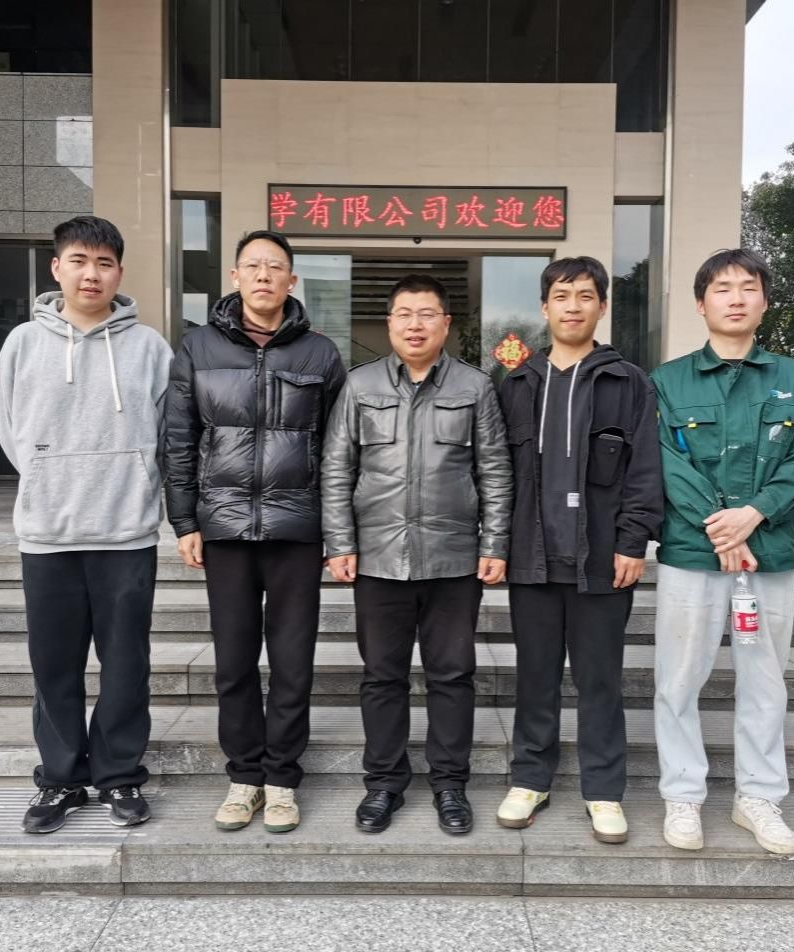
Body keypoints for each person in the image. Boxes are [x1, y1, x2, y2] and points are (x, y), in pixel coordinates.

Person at [0, 215, 172, 833]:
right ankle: (61, 779)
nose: (90, 274)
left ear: (119, 272)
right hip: (48, 533)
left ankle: (119, 775)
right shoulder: (23, 343)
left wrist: (136, 484)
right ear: (57, 268)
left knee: (126, 665)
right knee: (54, 665)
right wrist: (48, 476)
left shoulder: (149, 347)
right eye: (78, 260)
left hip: (126, 530)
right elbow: (10, 429)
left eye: (103, 263)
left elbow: (166, 436)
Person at [165, 229, 345, 834]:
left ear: (292, 280)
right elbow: (179, 438)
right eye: (253, 265)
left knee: (293, 662)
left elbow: (339, 449)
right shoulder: (198, 347)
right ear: (235, 276)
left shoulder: (320, 354)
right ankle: (244, 776)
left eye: (275, 266)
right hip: (224, 528)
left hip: (297, 530)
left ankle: (282, 779)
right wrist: (185, 520)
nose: (264, 275)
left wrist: (336, 530)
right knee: (235, 662)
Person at [651, 248, 794, 855]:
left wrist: (753, 516)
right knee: (679, 679)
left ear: (764, 302)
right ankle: (683, 795)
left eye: (748, 287)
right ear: (700, 304)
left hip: (769, 551)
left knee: (765, 680)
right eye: (722, 288)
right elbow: (666, 463)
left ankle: (758, 796)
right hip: (692, 551)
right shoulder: (668, 381)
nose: (735, 298)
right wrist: (722, 528)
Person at [321, 274, 512, 835]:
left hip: (454, 558)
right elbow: (336, 468)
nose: (415, 325)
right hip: (378, 557)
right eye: (404, 314)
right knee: (382, 677)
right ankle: (384, 784)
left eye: (427, 314)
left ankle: (450, 785)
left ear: (445, 324)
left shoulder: (475, 387)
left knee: (452, 675)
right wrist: (340, 542)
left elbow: (495, 470)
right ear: (390, 323)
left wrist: (494, 543)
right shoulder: (359, 385)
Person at [494, 256, 663, 844]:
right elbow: (497, 473)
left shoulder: (628, 382)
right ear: (544, 307)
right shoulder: (517, 383)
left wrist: (633, 540)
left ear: (602, 306)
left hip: (602, 558)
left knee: (600, 681)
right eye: (562, 296)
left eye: (585, 296)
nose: (573, 306)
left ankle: (604, 789)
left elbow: (646, 468)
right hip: (533, 556)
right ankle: (530, 779)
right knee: (534, 676)